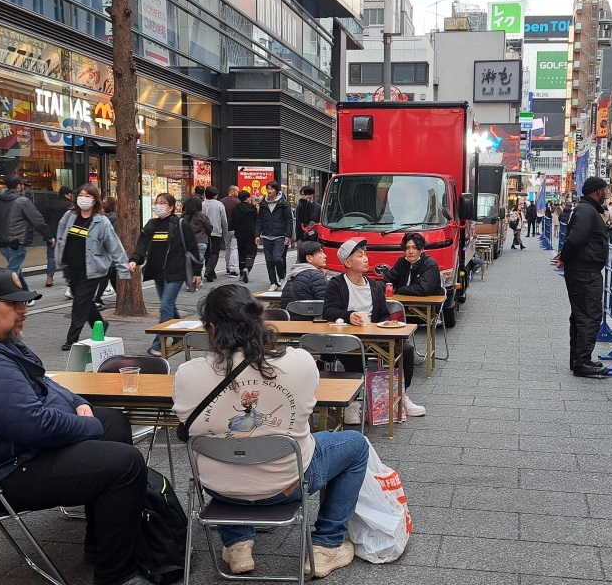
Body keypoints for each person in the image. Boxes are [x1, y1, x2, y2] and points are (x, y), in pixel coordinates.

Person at [0, 267, 153, 585]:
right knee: (125, 464)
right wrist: (89, 425)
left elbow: (42, 381)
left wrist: (77, 403)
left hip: (5, 453)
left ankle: (102, 543)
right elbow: (36, 425)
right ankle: (117, 575)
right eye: (14, 304)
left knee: (113, 420)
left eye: (25, 303)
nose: (24, 311)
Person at [172, 285, 368, 579]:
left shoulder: (187, 374)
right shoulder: (300, 362)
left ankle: (238, 545)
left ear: (210, 329)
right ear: (258, 320)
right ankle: (326, 546)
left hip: (219, 488)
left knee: (230, 450)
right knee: (354, 443)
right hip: (287, 485)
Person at [322, 238, 423, 417]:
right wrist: (349, 315)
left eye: (365, 254)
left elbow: (384, 313)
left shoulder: (374, 286)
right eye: (360, 256)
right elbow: (328, 311)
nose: (366, 259)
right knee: (353, 353)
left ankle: (401, 395)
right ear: (347, 262)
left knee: (406, 350)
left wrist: (385, 323)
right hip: (348, 339)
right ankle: (352, 403)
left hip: (374, 337)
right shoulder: (337, 284)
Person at [55, 184, 131, 351]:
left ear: (95, 199)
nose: (83, 198)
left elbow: (114, 245)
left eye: (88, 196)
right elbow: (61, 236)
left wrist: (123, 268)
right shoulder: (70, 215)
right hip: (72, 267)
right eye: (81, 194)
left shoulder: (101, 221)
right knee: (83, 301)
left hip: (93, 269)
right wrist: (58, 259)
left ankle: (71, 338)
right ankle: (101, 324)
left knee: (79, 303)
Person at [129, 192, 202, 356]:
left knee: (165, 306)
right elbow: (142, 243)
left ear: (171, 207)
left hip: (176, 272)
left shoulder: (180, 224)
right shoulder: (152, 224)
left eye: (163, 203)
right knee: (169, 306)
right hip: (158, 272)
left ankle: (158, 345)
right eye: (157, 202)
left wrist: (197, 272)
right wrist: (135, 259)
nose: (159, 205)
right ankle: (178, 336)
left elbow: (192, 248)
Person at [551, 176, 610, 378]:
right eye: (606, 190)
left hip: (583, 270)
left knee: (581, 316)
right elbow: (575, 238)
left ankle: (579, 359)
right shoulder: (586, 211)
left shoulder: (587, 210)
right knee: (589, 316)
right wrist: (564, 258)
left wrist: (564, 258)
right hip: (584, 272)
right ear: (598, 192)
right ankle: (582, 361)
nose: (607, 194)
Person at [0, 174, 54, 292]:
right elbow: (38, 221)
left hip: (2, 242)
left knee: (15, 268)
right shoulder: (23, 201)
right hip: (18, 241)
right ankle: (1, 293)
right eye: (22, 185)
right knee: (12, 272)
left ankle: (26, 295)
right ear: (19, 186)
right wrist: (49, 236)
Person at [255, 181, 293, 291]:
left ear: (276, 190)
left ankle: (282, 277)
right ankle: (273, 282)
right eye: (268, 189)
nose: (269, 191)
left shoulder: (283, 203)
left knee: (277, 258)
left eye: (271, 189)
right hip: (266, 235)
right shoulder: (263, 203)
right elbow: (260, 220)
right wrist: (257, 234)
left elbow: (288, 220)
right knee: (269, 261)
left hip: (279, 235)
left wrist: (288, 234)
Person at [382, 232, 444, 296]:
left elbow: (424, 289)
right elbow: (388, 281)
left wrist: (400, 290)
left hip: (425, 304)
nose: (411, 252)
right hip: (402, 301)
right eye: (408, 248)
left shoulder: (430, 264)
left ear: (422, 249)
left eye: (414, 248)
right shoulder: (401, 262)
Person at [280, 241, 329, 310]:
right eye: (320, 252)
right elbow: (327, 304)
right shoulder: (314, 276)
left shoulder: (293, 275)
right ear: (309, 258)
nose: (325, 256)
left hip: (290, 319)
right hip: (310, 319)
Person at [41, 185, 73, 287]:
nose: (72, 195)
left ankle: (49, 278)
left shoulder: (50, 205)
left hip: (51, 234)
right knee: (67, 257)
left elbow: (44, 219)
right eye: (70, 194)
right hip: (64, 235)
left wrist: (47, 234)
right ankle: (69, 279)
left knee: (51, 256)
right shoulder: (70, 206)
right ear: (66, 195)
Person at [94, 195, 119, 309]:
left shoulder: (100, 219)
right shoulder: (115, 219)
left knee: (110, 275)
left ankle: (119, 297)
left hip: (101, 251)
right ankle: (97, 299)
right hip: (109, 252)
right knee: (108, 275)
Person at [202, 186, 230, 282]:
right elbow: (224, 220)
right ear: (215, 195)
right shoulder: (219, 204)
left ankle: (210, 272)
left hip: (204, 232)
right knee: (214, 252)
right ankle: (209, 271)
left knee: (207, 252)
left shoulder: (202, 204)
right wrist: (225, 232)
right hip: (216, 231)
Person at [182, 195, 213, 277]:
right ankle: (196, 279)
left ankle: (192, 279)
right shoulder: (201, 215)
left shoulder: (183, 217)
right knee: (198, 261)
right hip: (201, 241)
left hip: (187, 243)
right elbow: (209, 227)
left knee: (189, 262)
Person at [231, 190, 258, 284]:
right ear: (248, 198)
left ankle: (242, 274)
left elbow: (232, 222)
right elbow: (257, 221)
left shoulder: (235, 209)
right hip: (251, 234)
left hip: (239, 234)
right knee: (251, 253)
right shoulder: (253, 209)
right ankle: (247, 268)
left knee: (241, 253)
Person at [221, 185, 242, 276]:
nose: (238, 193)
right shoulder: (238, 202)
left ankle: (227, 267)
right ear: (232, 191)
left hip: (225, 228)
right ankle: (232, 268)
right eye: (237, 191)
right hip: (235, 228)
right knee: (234, 248)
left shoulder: (221, 202)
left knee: (228, 248)